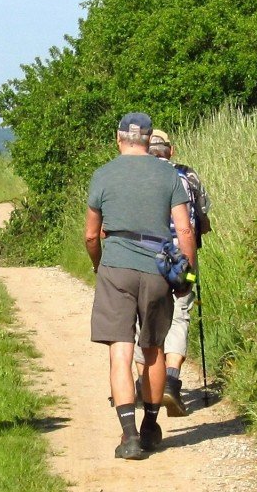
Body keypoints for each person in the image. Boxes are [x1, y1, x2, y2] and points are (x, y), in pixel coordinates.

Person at [85, 112, 195, 460]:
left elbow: (91, 234)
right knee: (153, 349)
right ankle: (150, 426)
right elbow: (186, 230)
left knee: (120, 350)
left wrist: (97, 263)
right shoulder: (168, 175)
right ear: (149, 140)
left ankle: (129, 436)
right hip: (157, 269)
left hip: (116, 266)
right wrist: (186, 275)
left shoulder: (103, 174)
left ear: (119, 139)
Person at [147, 128, 211, 417]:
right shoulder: (189, 176)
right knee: (180, 314)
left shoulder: (138, 177)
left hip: (148, 258)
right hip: (184, 259)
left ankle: (144, 384)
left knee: (144, 317)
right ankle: (171, 380)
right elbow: (202, 220)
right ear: (170, 151)